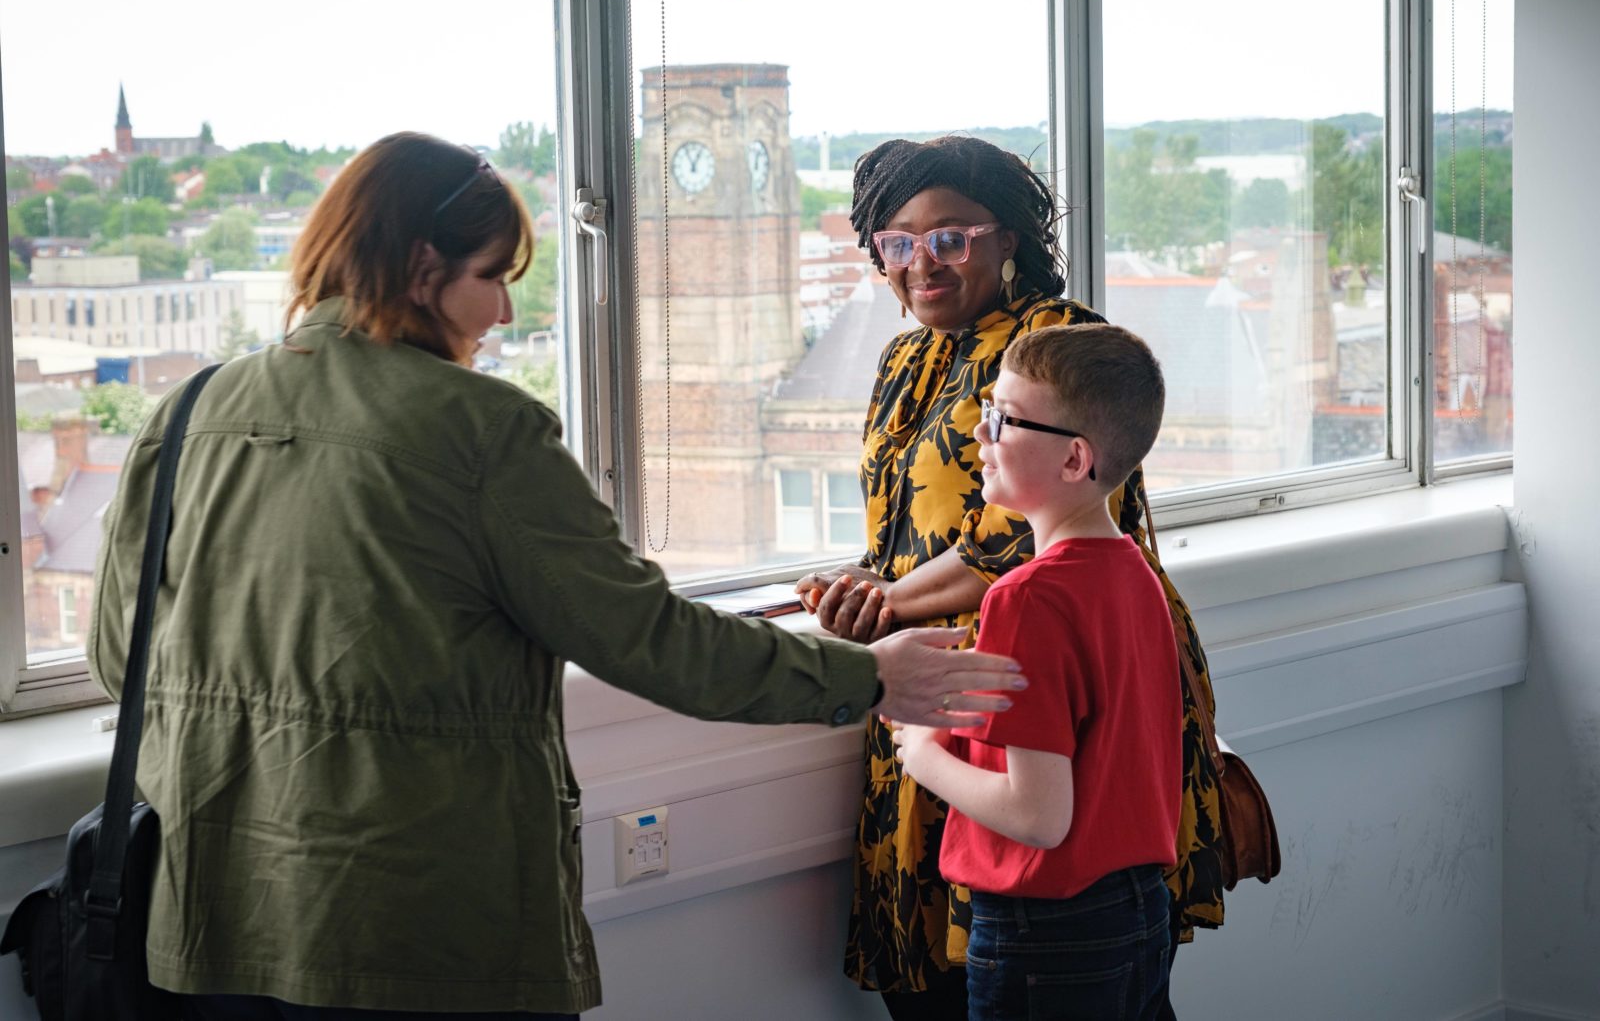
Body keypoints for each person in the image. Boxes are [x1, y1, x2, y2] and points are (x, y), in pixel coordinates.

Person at [85, 132, 1027, 1021]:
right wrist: (868, 675)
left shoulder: (190, 407)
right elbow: (647, 637)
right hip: (415, 932)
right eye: (492, 278)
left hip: (207, 922)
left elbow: (117, 654)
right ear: (421, 269)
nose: (502, 312)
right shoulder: (480, 428)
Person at [794, 135, 1223, 1021]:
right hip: (939, 673)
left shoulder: (1055, 340)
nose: (922, 263)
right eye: (897, 242)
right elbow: (900, 526)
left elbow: (1006, 540)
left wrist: (881, 607)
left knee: (1050, 939)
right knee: (957, 962)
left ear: (1009, 239)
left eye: (949, 237)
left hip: (1032, 674)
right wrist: (870, 589)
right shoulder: (904, 357)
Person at [893, 324, 1180, 1020]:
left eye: (1003, 419)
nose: (978, 436)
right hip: (1141, 911)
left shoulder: (1025, 596)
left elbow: (1038, 816)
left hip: (1049, 931)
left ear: (1075, 458)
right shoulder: (1134, 573)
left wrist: (920, 750)